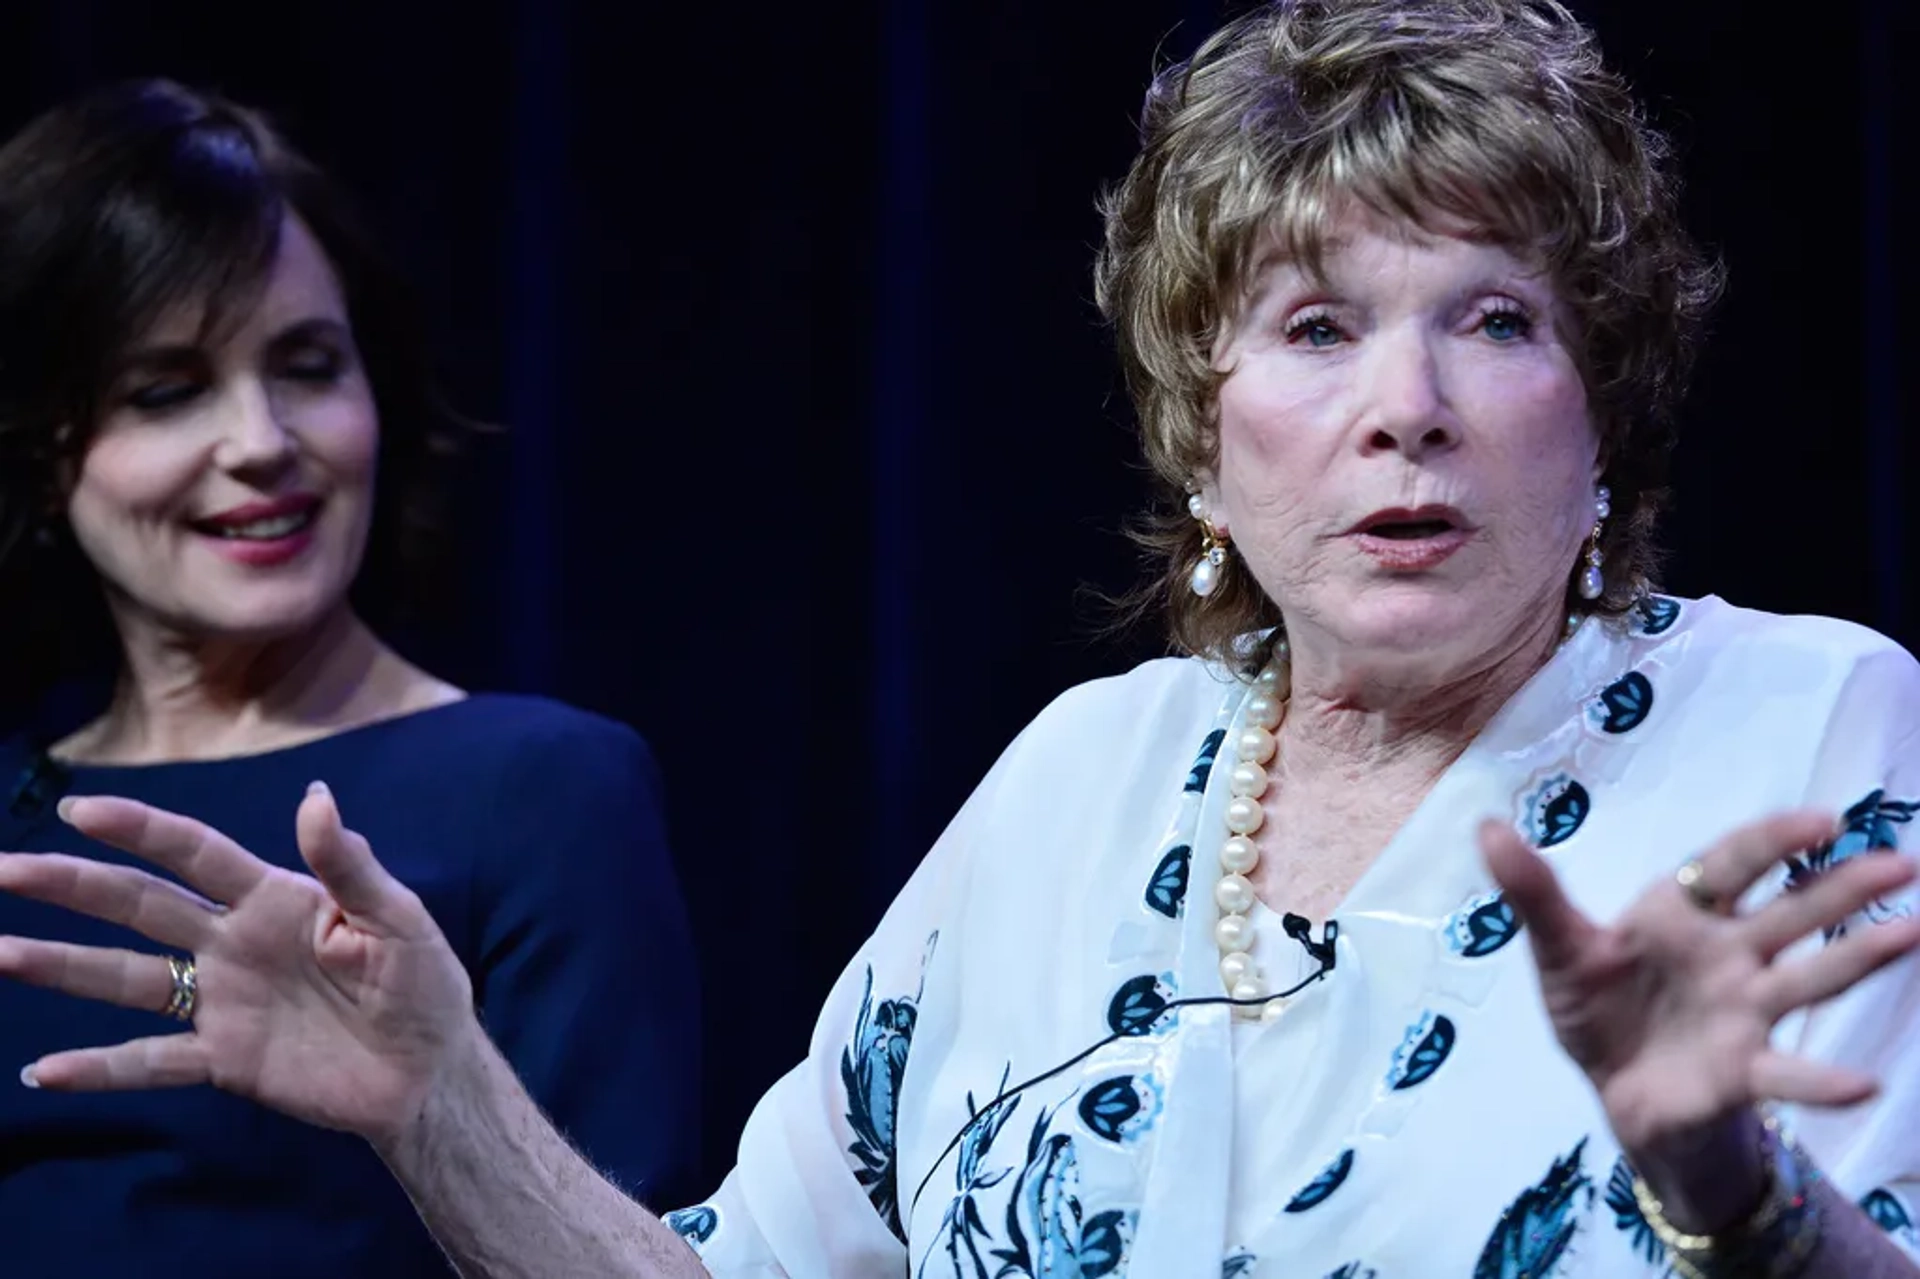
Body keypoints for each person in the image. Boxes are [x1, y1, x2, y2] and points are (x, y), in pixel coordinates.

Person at [2, 3, 1917, 1275]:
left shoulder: (1805, 724)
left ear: (1608, 415)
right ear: (1206, 435)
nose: (1405, 403)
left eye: (1494, 320)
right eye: (1318, 329)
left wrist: (1725, 1180)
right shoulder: (1086, 775)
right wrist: (444, 1101)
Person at [0, 80, 701, 1276]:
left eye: (309, 365)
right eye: (167, 391)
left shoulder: (539, 786)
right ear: (40, 449)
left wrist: (434, 1106)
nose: (264, 440)